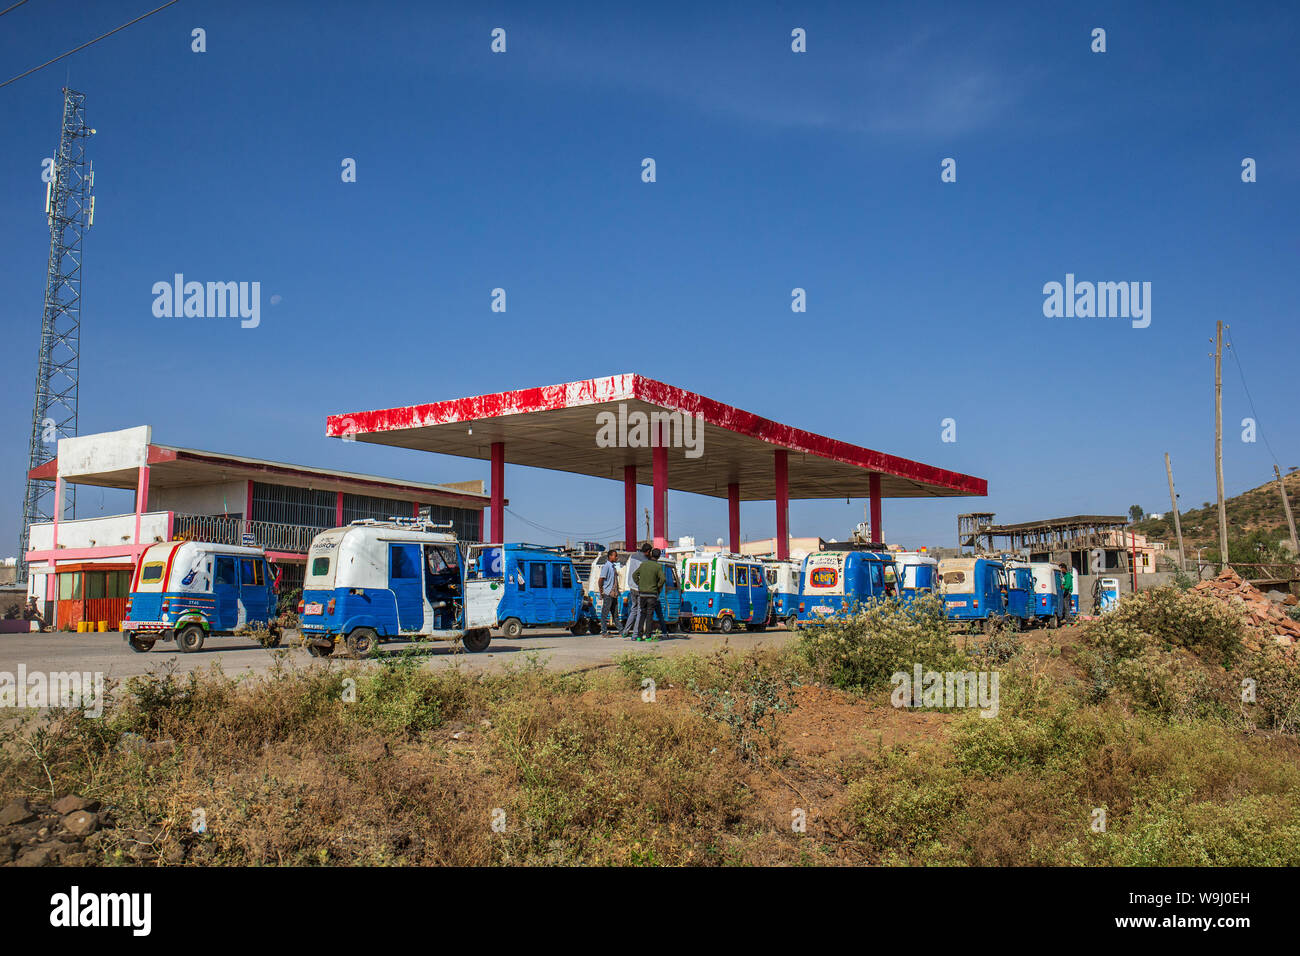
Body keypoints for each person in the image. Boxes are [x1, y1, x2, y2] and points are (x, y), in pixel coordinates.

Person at [634, 547, 666, 641]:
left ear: (651, 554)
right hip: (652, 594)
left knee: (642, 614)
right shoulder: (658, 566)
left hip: (642, 594)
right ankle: (648, 636)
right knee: (649, 615)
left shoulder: (643, 564)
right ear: (659, 556)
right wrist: (657, 587)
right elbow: (663, 579)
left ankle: (639, 636)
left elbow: (634, 575)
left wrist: (640, 584)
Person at [621, 544, 650, 638]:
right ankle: (635, 634)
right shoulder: (645, 560)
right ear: (648, 551)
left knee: (633, 610)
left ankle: (625, 631)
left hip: (631, 586)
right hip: (639, 588)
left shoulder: (633, 556)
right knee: (640, 611)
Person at [598, 549, 621, 636]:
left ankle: (621, 631)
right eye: (615, 555)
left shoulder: (612, 566)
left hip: (613, 593)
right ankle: (604, 632)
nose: (616, 557)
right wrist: (601, 591)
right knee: (605, 614)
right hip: (608, 593)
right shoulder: (606, 566)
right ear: (610, 556)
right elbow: (601, 579)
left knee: (615, 614)